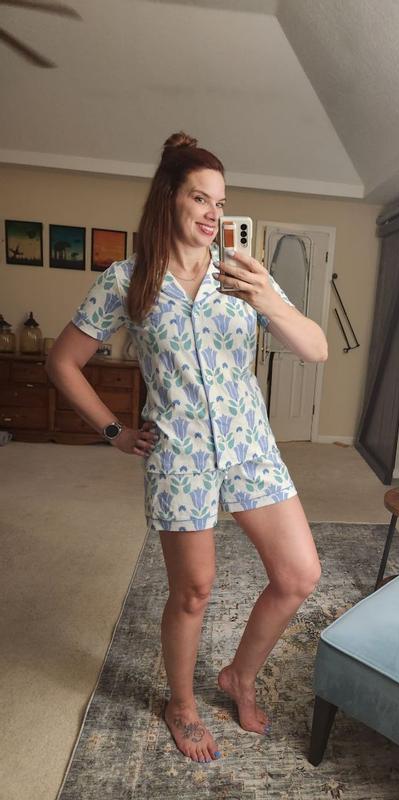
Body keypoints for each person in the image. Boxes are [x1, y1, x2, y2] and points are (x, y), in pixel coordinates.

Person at [46, 131, 328, 765]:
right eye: (200, 198)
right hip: (180, 458)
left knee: (299, 575)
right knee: (193, 591)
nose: (212, 213)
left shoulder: (243, 276)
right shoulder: (128, 280)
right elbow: (62, 361)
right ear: (169, 197)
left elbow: (316, 349)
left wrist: (267, 298)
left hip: (250, 448)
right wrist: (115, 432)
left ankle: (239, 677)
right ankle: (182, 704)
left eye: (220, 203)